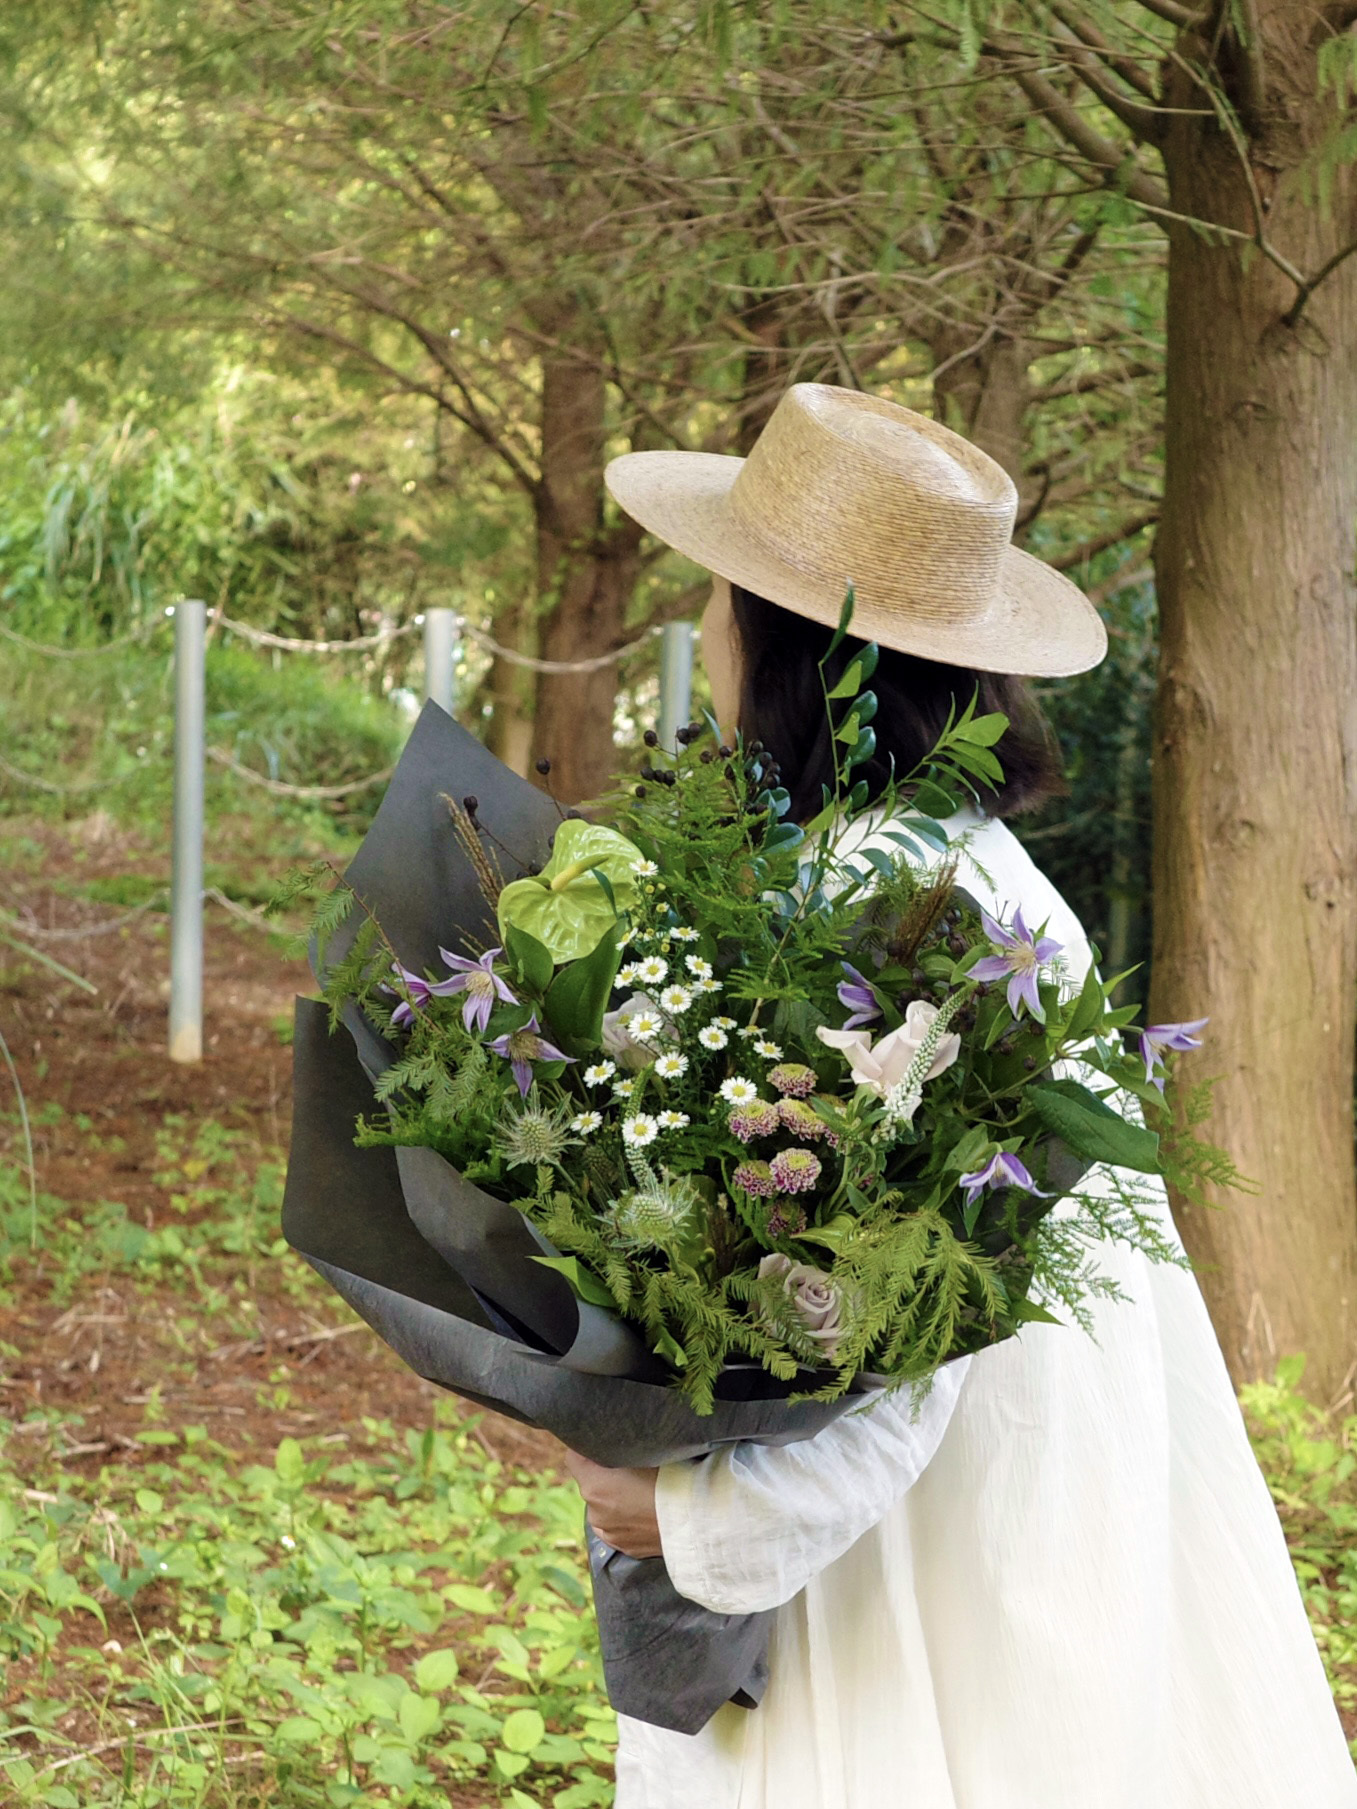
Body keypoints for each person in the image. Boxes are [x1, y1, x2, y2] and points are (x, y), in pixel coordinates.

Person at [558, 384, 1357, 1807]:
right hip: (1024, 1477)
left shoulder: (890, 915)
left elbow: (902, 1348)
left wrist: (692, 1510)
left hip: (922, 1540)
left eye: (723, 604)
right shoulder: (944, 869)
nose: (710, 635)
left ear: (788, 647)